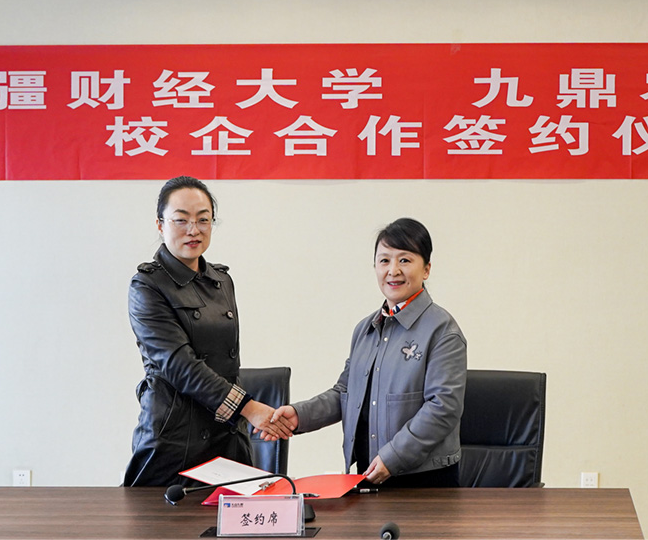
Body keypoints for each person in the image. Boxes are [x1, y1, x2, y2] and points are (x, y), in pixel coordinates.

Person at [268, 218, 467, 487]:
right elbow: (345, 392)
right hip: (369, 472)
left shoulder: (443, 330)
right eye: (384, 261)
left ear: (426, 269)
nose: (393, 270)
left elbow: (443, 408)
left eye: (405, 260)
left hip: (424, 480)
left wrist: (393, 458)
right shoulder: (366, 329)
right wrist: (299, 415)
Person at [124, 176, 291, 487]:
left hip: (226, 434)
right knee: (156, 519)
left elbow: (227, 363)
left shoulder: (221, 280)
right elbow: (179, 365)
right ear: (160, 225)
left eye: (203, 220)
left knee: (239, 517)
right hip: (175, 438)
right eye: (181, 220)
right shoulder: (147, 286)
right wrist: (248, 408)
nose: (194, 230)